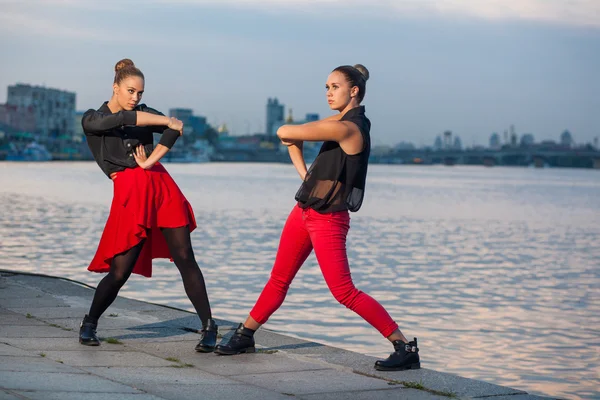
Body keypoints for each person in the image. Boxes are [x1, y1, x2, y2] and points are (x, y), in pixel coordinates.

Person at [214, 64, 420, 371]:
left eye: (334, 87)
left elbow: (285, 132)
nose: (328, 92)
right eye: (326, 87)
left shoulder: (348, 128)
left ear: (354, 91)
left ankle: (404, 347)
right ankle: (246, 334)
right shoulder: (340, 123)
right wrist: (306, 177)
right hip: (304, 211)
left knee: (344, 292)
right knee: (279, 279)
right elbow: (293, 140)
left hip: (328, 220)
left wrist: (295, 141)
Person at [78, 58, 217, 353]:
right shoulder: (92, 119)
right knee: (120, 270)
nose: (136, 98)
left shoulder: (143, 113)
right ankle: (89, 323)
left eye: (140, 93)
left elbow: (175, 129)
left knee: (185, 257)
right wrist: (165, 121)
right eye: (130, 91)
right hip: (131, 195)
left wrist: (151, 161)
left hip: (161, 186)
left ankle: (209, 327)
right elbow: (120, 121)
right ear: (115, 88)